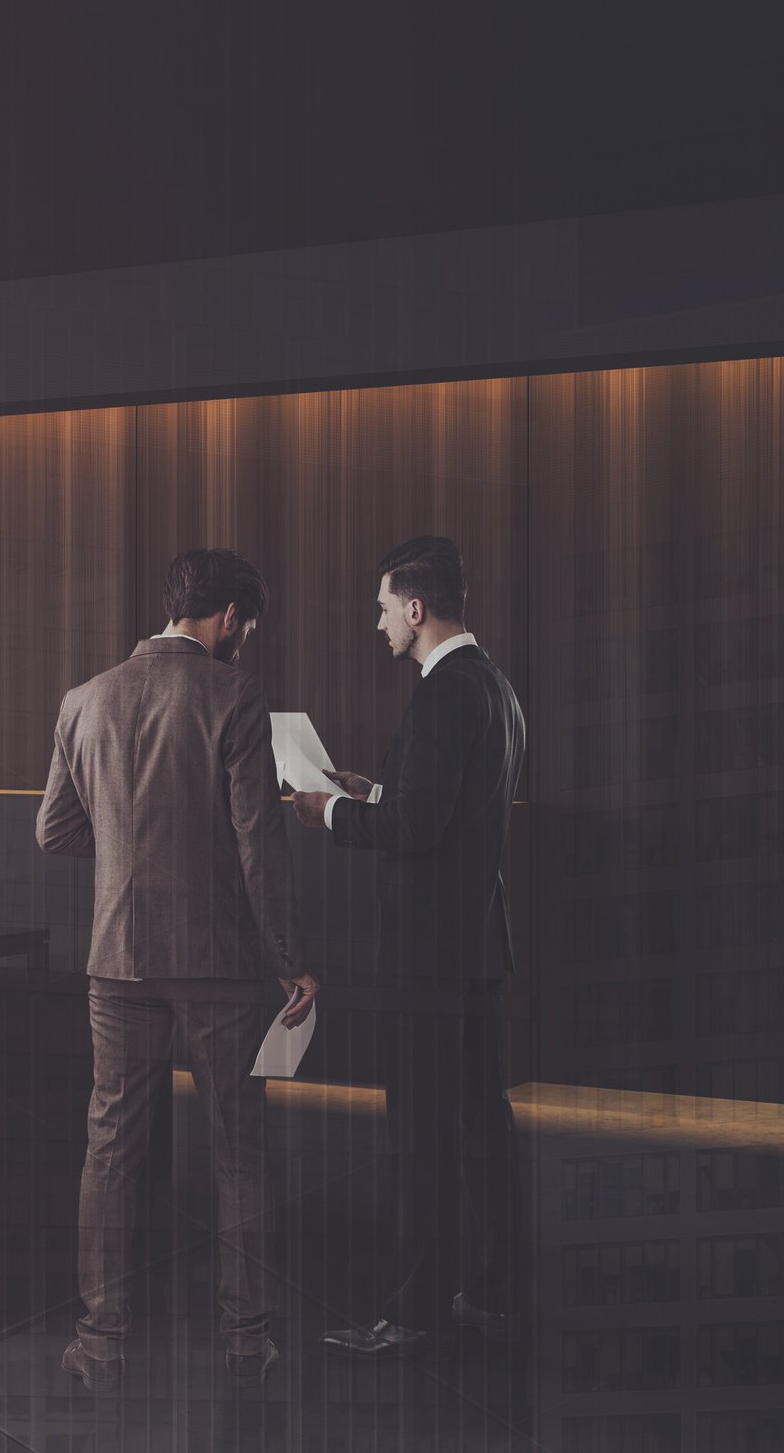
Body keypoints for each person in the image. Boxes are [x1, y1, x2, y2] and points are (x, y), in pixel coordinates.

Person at [40, 548, 317, 1390]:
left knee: (111, 1148)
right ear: (229, 617)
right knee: (239, 1149)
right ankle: (244, 1341)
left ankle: (101, 1344)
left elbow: (54, 832)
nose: (247, 640)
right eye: (249, 626)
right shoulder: (235, 697)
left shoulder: (83, 699)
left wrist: (131, 848)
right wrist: (291, 960)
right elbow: (257, 845)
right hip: (221, 964)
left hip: (116, 958)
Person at [291, 535, 525, 1358]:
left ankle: (414, 1312)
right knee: (480, 1126)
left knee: (421, 1136)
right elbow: (446, 811)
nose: (380, 621)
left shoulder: (439, 694)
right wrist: (375, 789)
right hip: (477, 950)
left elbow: (417, 830)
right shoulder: (493, 687)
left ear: (416, 609)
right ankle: (494, 1293)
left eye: (386, 607)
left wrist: (329, 814)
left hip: (427, 958)